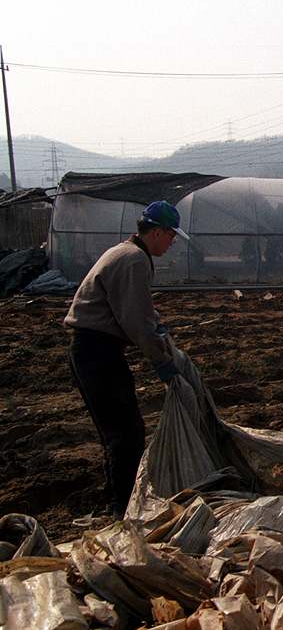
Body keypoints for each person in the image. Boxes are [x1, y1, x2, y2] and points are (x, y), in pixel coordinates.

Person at [64, 200, 188, 519]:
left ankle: (115, 503)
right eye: (172, 236)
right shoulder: (135, 259)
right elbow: (135, 320)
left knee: (117, 433)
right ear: (157, 232)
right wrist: (162, 361)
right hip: (98, 352)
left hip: (91, 350)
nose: (173, 242)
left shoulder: (124, 251)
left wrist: (156, 324)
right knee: (127, 435)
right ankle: (121, 511)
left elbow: (136, 307)